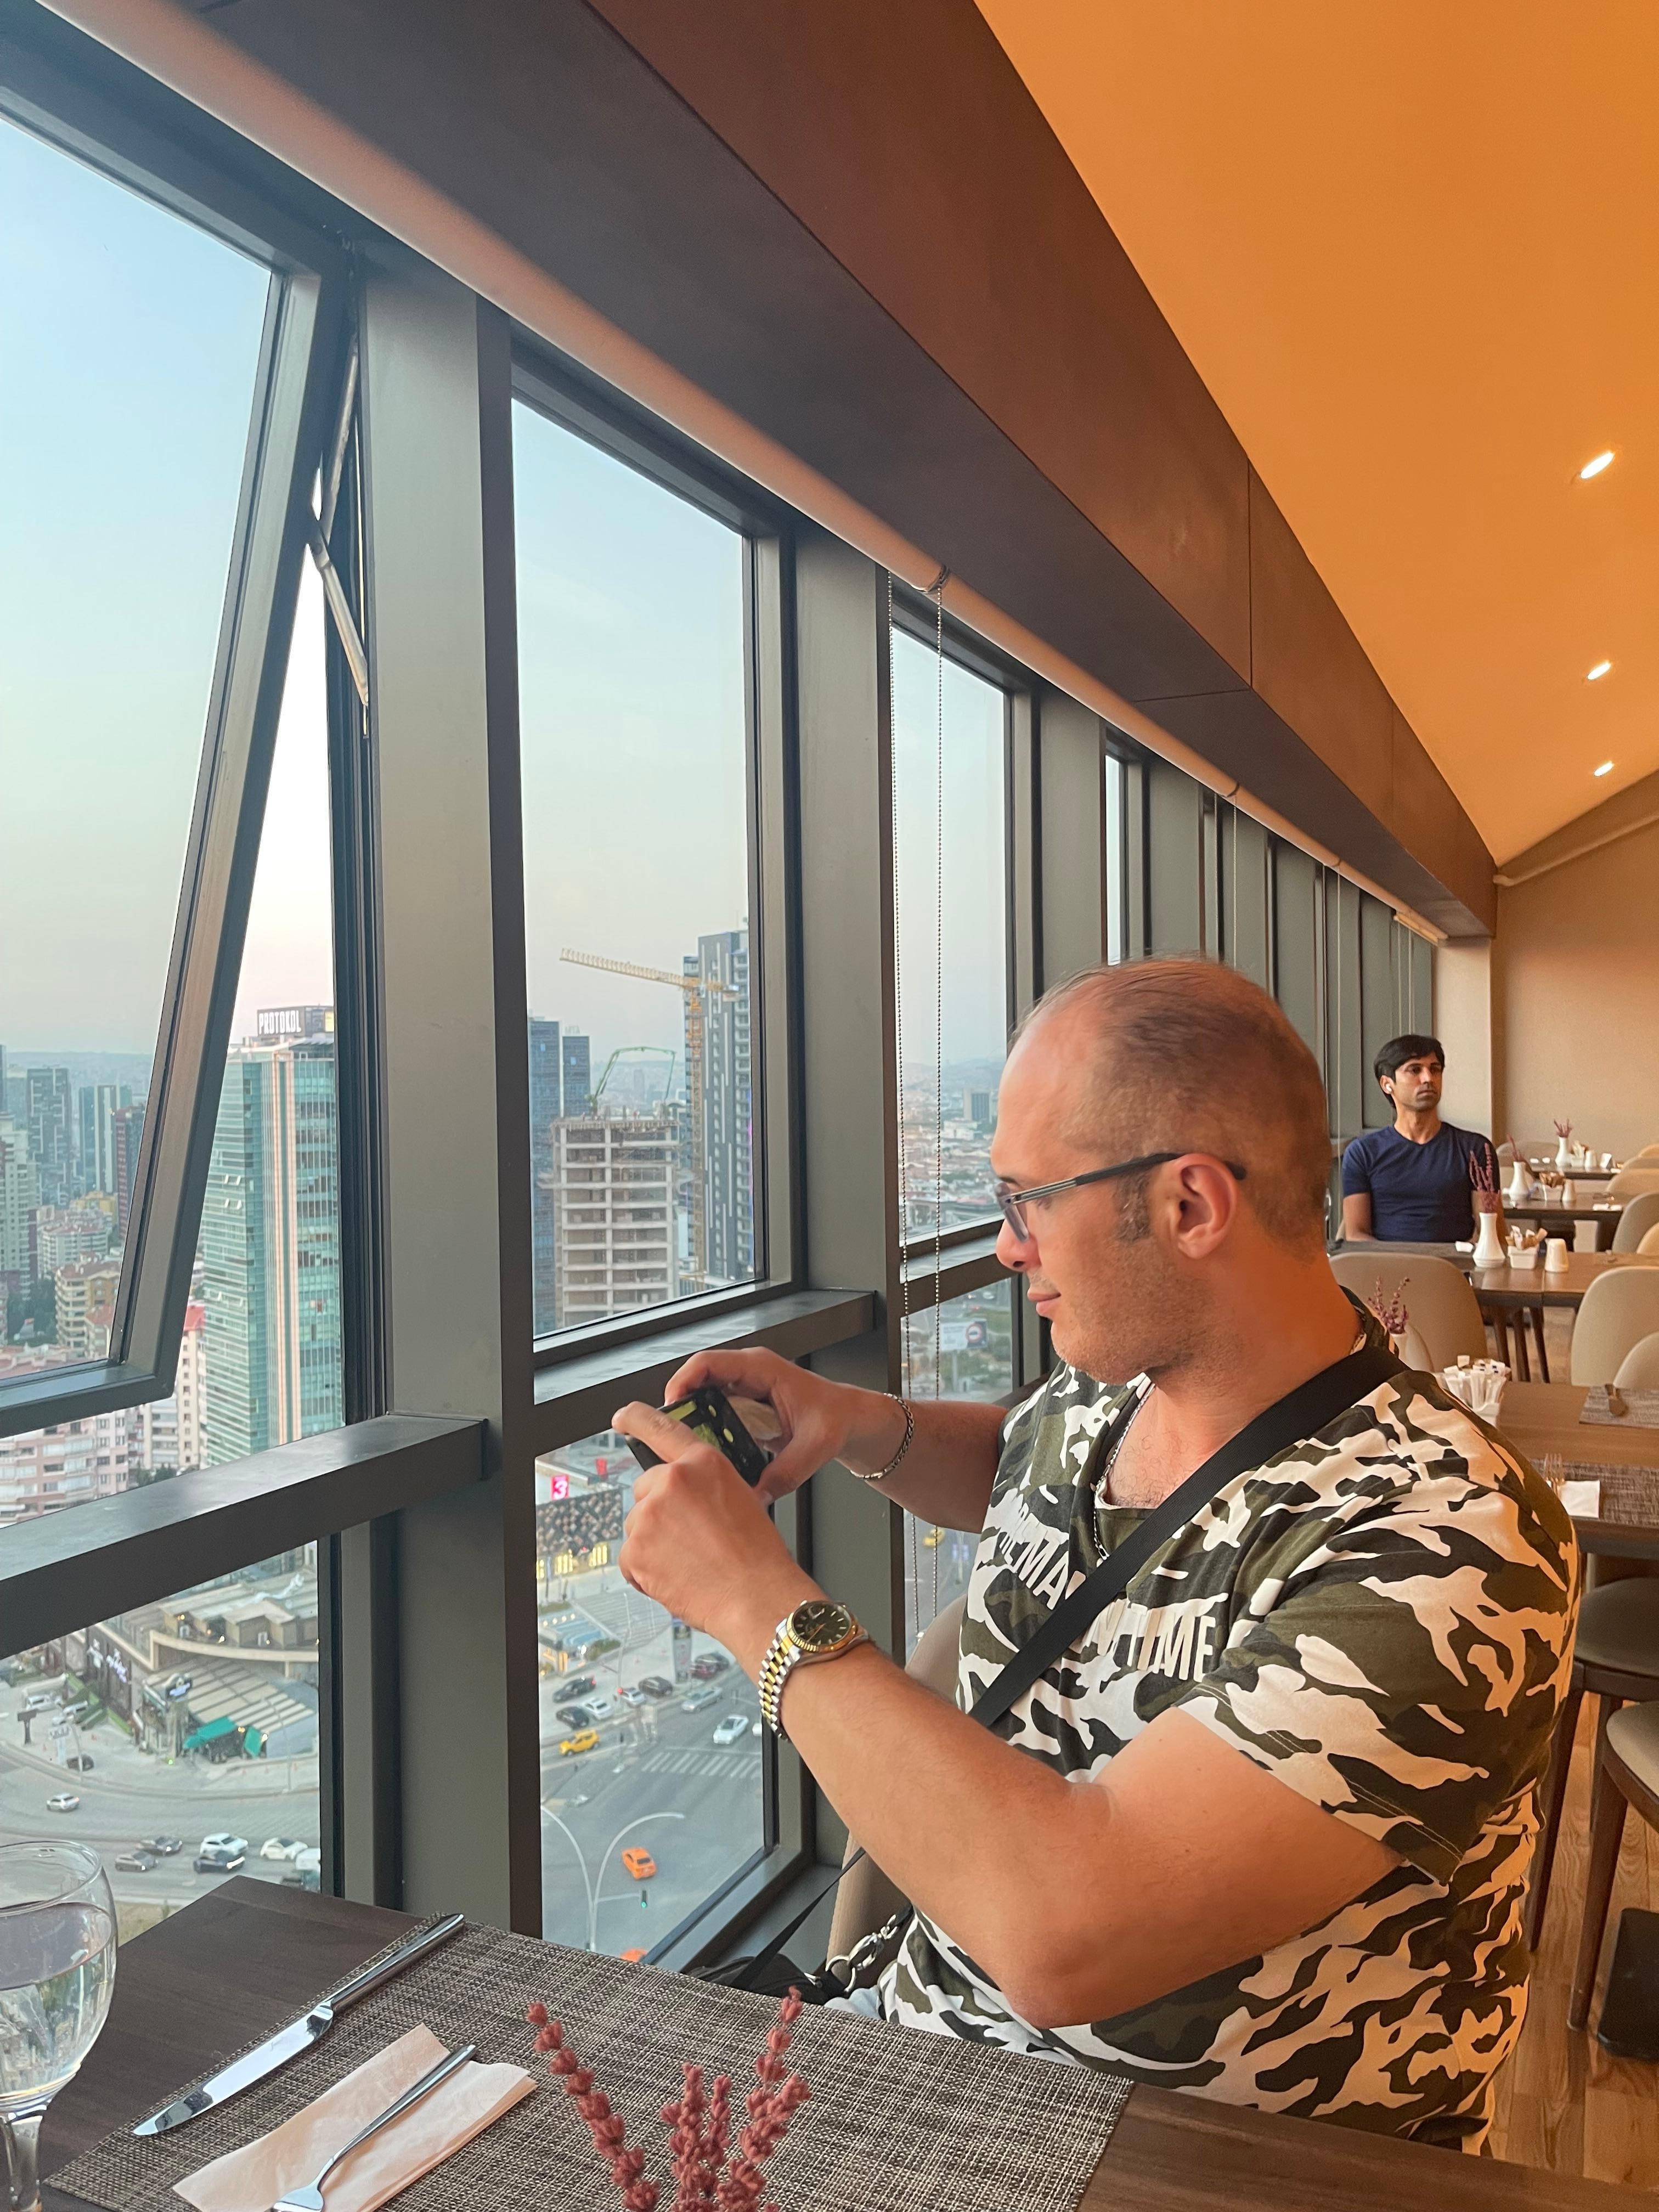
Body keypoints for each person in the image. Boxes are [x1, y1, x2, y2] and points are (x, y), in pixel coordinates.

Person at [616, 961, 1575, 2148]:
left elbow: (1065, 1937)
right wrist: (856, 1423)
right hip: (921, 2049)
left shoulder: (1447, 1546)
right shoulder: (1112, 1387)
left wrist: (755, 1601)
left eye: (1027, 1200)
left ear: (1189, 1206)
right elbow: (1026, 1469)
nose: (1005, 1246)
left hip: (1170, 2157)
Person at [1341, 1034, 1502, 1243]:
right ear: (1387, 1084)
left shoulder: (1476, 1149)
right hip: (1385, 1262)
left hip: (1453, 1262)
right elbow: (1356, 1234)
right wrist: (1402, 1261)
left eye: (1435, 1069)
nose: (1428, 1079)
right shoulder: (1363, 1153)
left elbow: (1493, 1234)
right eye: (1415, 1070)